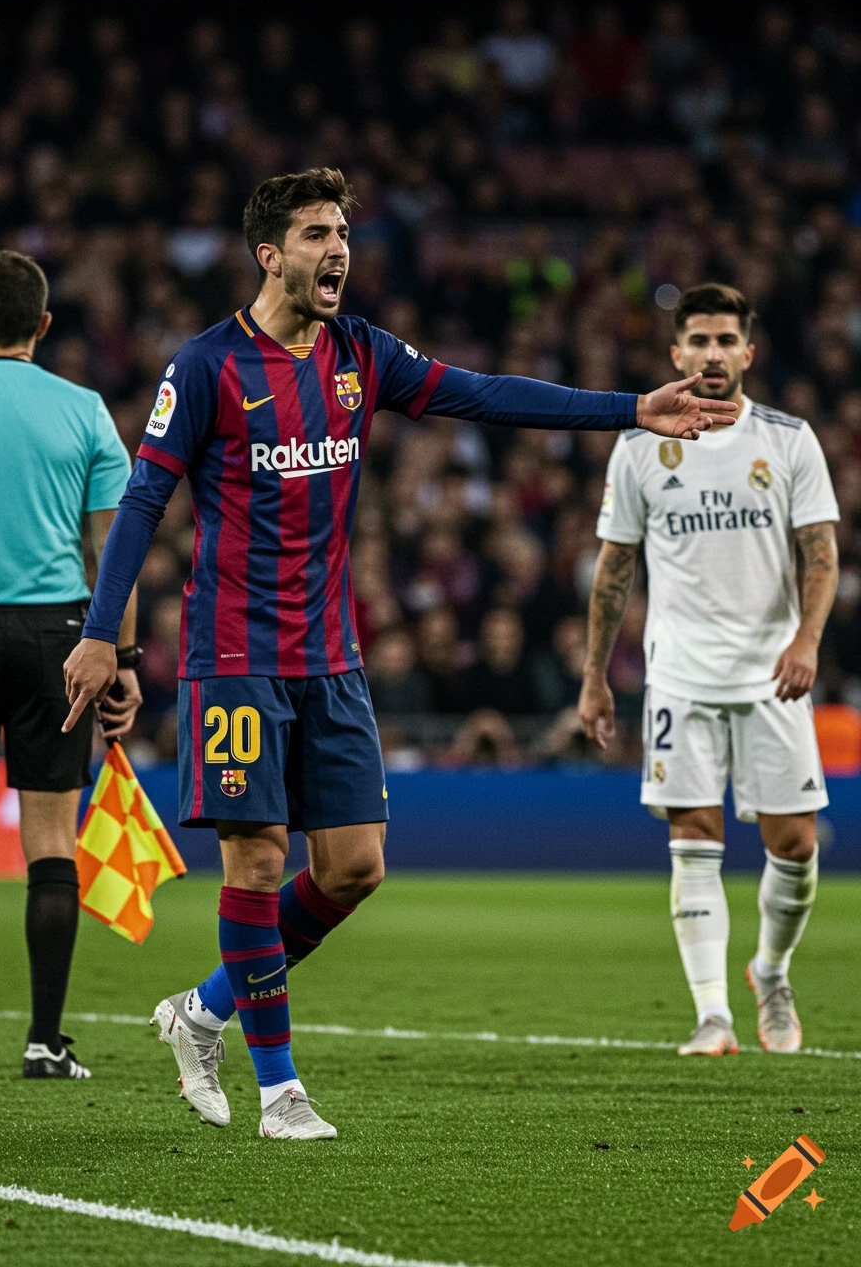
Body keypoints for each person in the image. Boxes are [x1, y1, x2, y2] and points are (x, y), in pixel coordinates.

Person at [62, 169, 735, 1139]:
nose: (337, 247)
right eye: (313, 233)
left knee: (353, 867)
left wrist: (628, 409)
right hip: (237, 651)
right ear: (268, 254)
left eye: (341, 230)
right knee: (256, 856)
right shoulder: (205, 367)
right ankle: (280, 1088)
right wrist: (99, 631)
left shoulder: (360, 354)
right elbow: (139, 502)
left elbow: (485, 394)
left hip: (330, 654)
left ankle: (202, 1010)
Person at [578, 283, 839, 1057]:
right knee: (695, 837)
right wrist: (595, 674)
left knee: (795, 844)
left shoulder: (789, 439)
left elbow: (820, 556)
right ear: (676, 353)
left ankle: (772, 970)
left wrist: (808, 642)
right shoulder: (638, 448)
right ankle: (712, 1016)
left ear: (748, 353)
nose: (713, 354)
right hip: (681, 674)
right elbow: (613, 567)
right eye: (698, 340)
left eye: (727, 341)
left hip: (773, 674)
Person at [0, 250, 141, 1078]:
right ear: (41, 325)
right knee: (50, 840)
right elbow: (115, 548)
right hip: (58, 639)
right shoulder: (84, 410)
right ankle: (43, 1041)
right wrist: (127, 658)